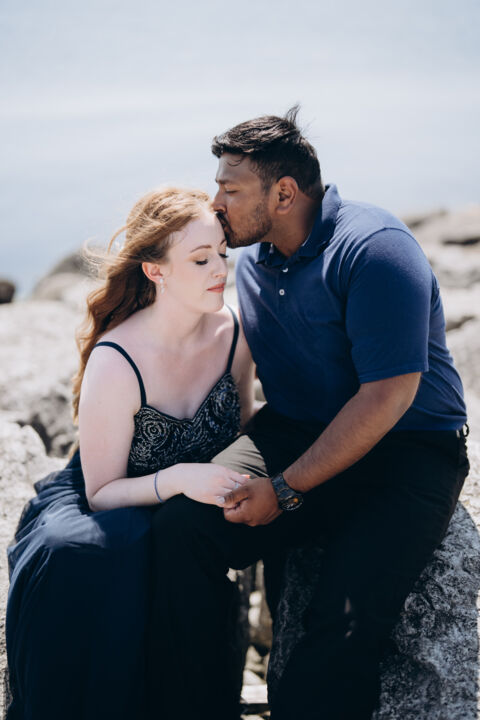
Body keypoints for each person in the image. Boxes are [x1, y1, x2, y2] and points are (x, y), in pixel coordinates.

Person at [148, 108, 470, 720]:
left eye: (230, 189)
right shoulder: (254, 261)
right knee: (182, 528)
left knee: (337, 630)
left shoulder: (376, 250)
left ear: (284, 193)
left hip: (408, 450)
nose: (215, 203)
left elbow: (388, 396)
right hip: (296, 428)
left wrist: (284, 491)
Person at [5, 187, 256, 720]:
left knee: (181, 547)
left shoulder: (234, 334)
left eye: (222, 253)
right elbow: (101, 493)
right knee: (103, 550)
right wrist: (180, 478)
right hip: (111, 495)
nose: (220, 269)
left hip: (189, 501)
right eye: (200, 259)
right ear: (155, 271)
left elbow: (245, 421)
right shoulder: (117, 359)